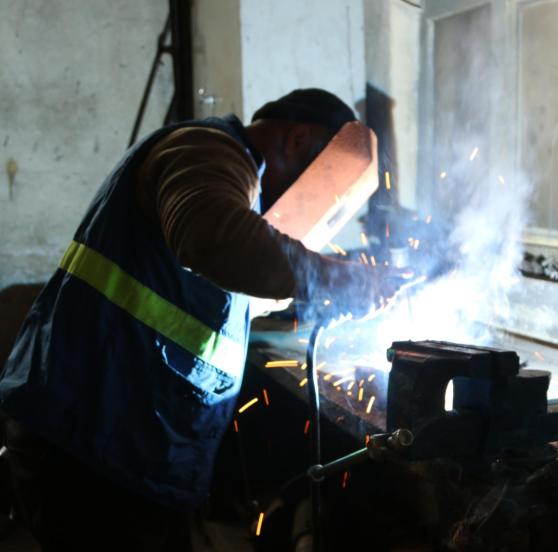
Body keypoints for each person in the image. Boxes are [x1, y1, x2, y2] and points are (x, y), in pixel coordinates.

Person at [0, 88, 396, 550]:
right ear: (297, 140)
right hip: (90, 438)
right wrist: (336, 279)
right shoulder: (204, 151)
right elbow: (214, 238)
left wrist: (324, 292)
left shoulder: (231, 181)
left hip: (123, 442)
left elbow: (225, 287)